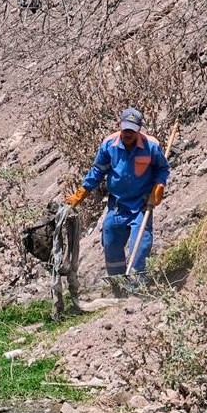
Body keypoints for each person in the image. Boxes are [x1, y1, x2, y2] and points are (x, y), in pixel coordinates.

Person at [65, 107, 170, 287]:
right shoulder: (109, 145)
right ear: (120, 126)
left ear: (138, 130)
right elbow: (98, 171)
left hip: (141, 205)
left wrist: (159, 186)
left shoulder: (151, 147)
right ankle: (119, 284)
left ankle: (137, 286)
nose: (128, 133)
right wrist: (81, 194)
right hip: (118, 205)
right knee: (111, 241)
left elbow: (162, 169)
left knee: (140, 246)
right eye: (125, 129)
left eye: (132, 130)